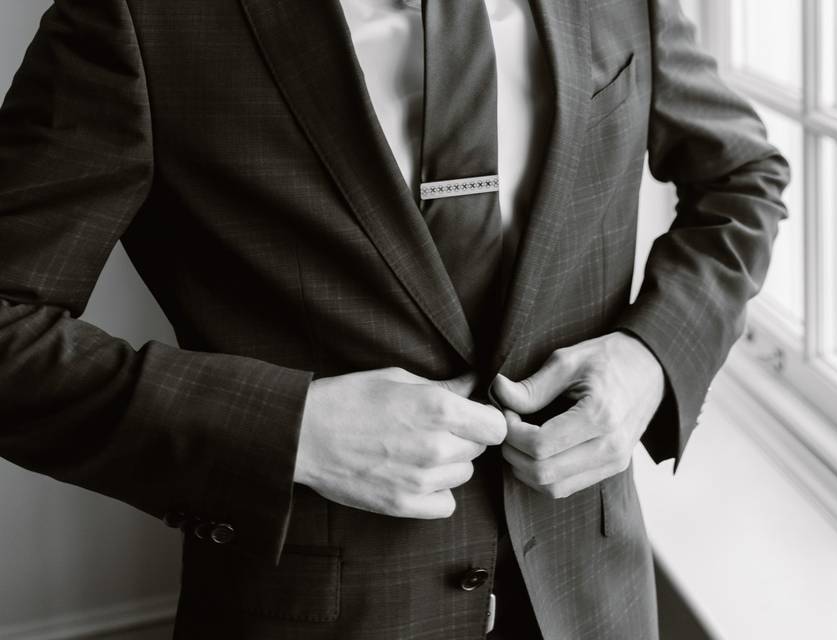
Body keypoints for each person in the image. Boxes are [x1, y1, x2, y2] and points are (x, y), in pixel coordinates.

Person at [0, 0, 788, 638]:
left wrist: (648, 359)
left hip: (594, 599)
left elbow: (742, 177)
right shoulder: (137, 16)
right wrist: (290, 429)